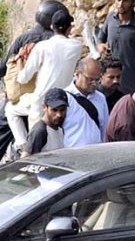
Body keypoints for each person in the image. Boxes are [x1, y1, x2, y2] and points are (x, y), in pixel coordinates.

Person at [0, 0, 67, 171]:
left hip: (20, 96)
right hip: (46, 101)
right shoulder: (60, 43)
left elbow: (6, 63)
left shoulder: (26, 38)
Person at [5, 9, 83, 154]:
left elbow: (23, 78)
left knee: (10, 110)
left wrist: (20, 60)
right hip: (63, 102)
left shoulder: (42, 47)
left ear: (52, 27)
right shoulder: (76, 47)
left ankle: (21, 145)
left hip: (40, 102)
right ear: (70, 28)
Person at [96, 0, 135, 94]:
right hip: (107, 83)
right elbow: (100, 38)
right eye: (118, 0)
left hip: (128, 86)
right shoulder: (110, 18)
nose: (120, 4)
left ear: (133, 2)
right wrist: (100, 46)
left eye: (125, 0)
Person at [63, 58, 109, 147]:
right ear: (77, 74)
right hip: (71, 155)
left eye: (97, 80)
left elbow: (105, 129)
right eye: (90, 79)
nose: (94, 83)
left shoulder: (101, 98)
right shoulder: (65, 97)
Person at [22, 88, 68, 157]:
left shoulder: (60, 126)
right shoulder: (39, 131)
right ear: (44, 107)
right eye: (54, 110)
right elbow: (25, 159)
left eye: (62, 110)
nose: (59, 115)